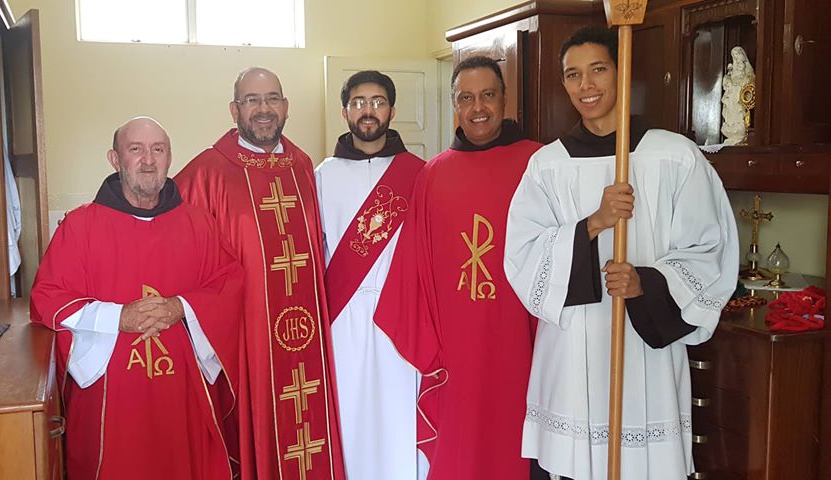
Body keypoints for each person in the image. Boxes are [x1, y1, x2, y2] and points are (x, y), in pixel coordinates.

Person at [503, 26, 739, 480]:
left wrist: (646, 283)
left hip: (645, 357)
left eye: (598, 70)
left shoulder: (675, 157)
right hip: (570, 359)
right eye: (573, 75)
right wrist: (593, 223)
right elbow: (522, 256)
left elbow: (711, 250)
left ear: (622, 71)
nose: (585, 85)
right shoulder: (547, 166)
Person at [30, 117, 244, 479]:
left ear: (169, 158)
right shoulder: (80, 227)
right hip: (111, 398)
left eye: (158, 150)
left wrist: (181, 307)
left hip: (183, 394)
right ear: (115, 159)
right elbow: (48, 298)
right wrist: (119, 317)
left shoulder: (199, 224)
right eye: (136, 149)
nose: (148, 160)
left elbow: (228, 282)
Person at [373, 56, 542, 479]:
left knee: (518, 442)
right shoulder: (434, 175)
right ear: (454, 105)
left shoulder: (538, 163)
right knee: (461, 451)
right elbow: (412, 268)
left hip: (524, 340)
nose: (478, 108)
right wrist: (429, 346)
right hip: (456, 348)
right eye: (466, 98)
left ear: (504, 100)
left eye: (488, 95)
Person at [175, 67, 345, 480]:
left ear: (285, 107)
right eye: (251, 100)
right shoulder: (207, 172)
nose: (263, 109)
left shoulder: (302, 165)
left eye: (271, 99)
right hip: (245, 338)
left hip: (306, 333)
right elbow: (171, 245)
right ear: (234, 110)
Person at [315, 70, 425, 480]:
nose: (368, 110)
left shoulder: (419, 173)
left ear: (392, 110)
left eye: (377, 102)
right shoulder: (322, 175)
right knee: (349, 415)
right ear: (345, 111)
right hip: (342, 317)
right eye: (358, 102)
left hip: (400, 313)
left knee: (398, 416)